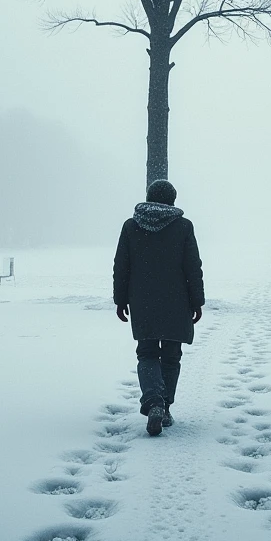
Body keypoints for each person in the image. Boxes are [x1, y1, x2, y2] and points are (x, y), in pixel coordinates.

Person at [113, 178, 205, 436]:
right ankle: (164, 407)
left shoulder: (131, 226)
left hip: (142, 301)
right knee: (171, 355)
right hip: (177, 300)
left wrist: (120, 299)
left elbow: (122, 265)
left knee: (147, 353)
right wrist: (197, 300)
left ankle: (153, 400)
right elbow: (192, 267)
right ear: (173, 200)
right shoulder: (183, 227)